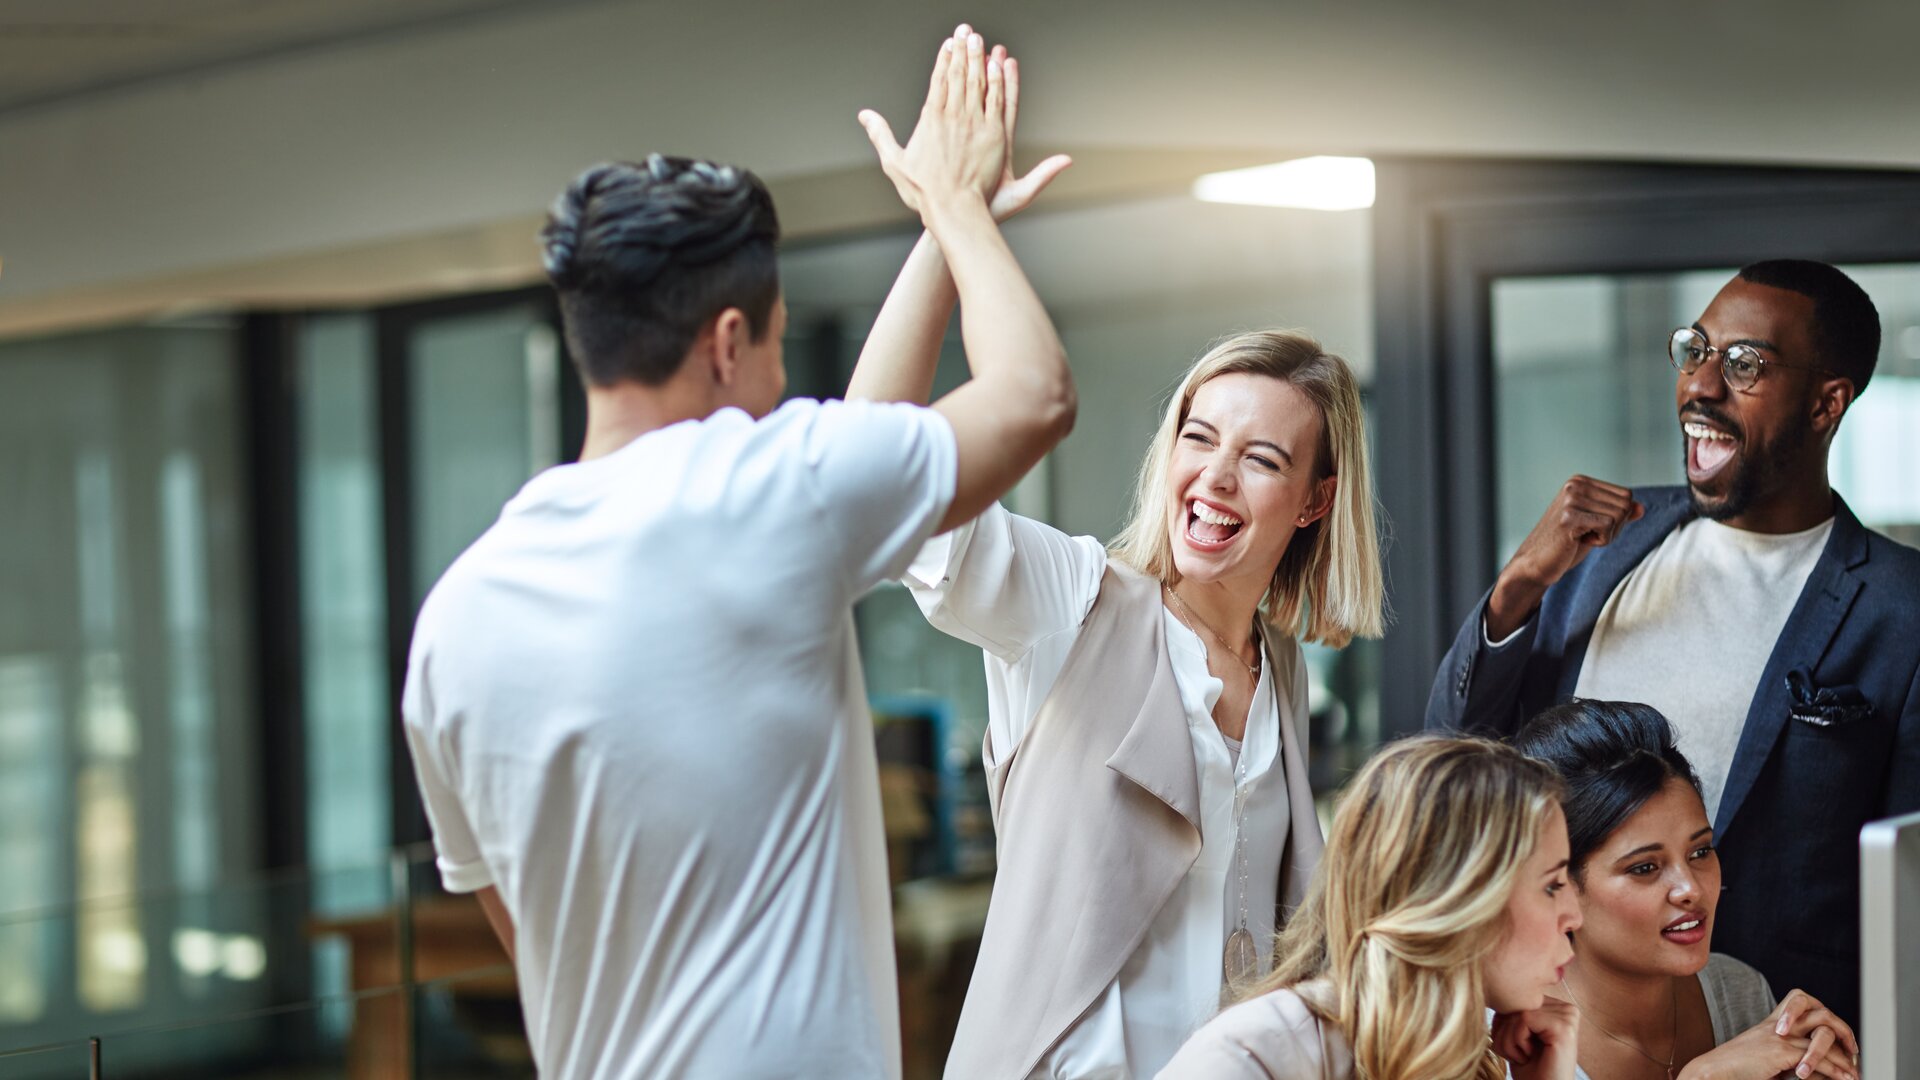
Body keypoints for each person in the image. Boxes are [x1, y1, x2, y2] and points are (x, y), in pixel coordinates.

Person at [399, 26, 1075, 1079]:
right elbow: (1033, 396)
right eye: (775, 345)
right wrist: (956, 207)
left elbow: (529, 937)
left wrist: (944, 234)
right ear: (726, 343)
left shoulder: (452, 621)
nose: (780, 387)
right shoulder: (770, 496)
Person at [847, 173, 1385, 1075]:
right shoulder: (1072, 598)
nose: (1215, 476)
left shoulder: (1281, 668)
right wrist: (949, 219)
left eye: (1260, 458)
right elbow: (875, 465)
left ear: (1314, 502)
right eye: (1198, 437)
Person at [1426, 260, 1920, 1022]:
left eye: (1745, 364)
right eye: (1695, 350)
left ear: (1827, 403)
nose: (1700, 385)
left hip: (1767, 1030)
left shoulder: (1900, 606)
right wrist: (1519, 584)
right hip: (1546, 1021)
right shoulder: (1600, 545)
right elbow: (1453, 756)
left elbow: (1907, 891)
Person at [1159, 734, 1583, 1080]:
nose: (1575, 917)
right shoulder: (1250, 1057)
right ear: (1457, 897)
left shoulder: (1483, 1059)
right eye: (1552, 886)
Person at [1514, 699, 1859, 1080]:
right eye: (1644, 868)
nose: (1690, 888)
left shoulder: (1741, 994)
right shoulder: (1493, 1050)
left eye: (1700, 851)